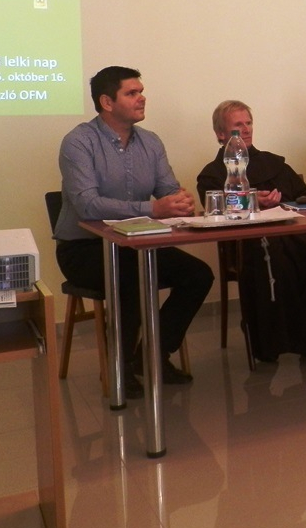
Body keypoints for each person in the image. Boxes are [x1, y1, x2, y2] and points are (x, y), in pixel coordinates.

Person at [54, 66, 214, 398]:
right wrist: (154, 209)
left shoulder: (150, 142)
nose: (142, 98)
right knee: (132, 277)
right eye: (132, 93)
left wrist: (180, 201)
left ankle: (153, 354)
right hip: (84, 249)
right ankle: (120, 367)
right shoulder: (78, 142)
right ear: (107, 102)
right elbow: (88, 205)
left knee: (199, 275)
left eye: (141, 92)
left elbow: (168, 190)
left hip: (138, 244)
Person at [197, 100, 306, 363]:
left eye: (249, 123)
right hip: (249, 242)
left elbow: (304, 198)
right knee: (278, 265)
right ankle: (276, 342)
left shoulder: (275, 164)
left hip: (294, 234)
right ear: (221, 133)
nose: (246, 129)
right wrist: (253, 202)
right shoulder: (212, 174)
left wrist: (283, 203)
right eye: (238, 125)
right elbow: (215, 209)